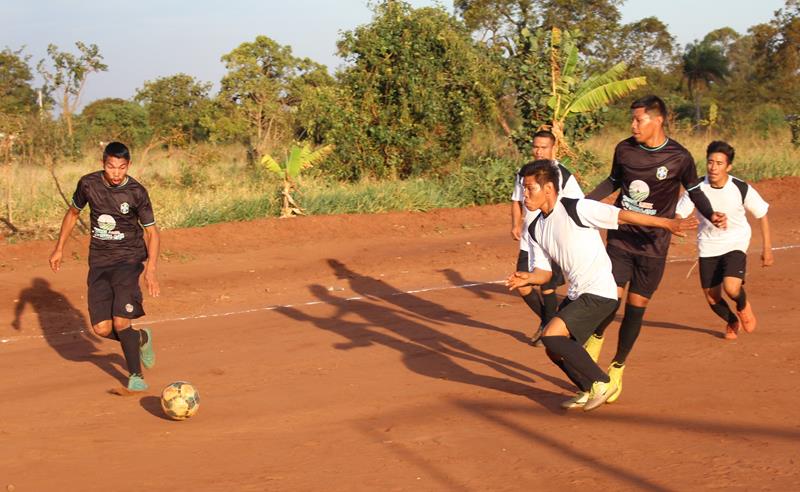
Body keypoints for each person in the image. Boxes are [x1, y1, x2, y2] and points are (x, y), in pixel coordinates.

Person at [506, 160, 696, 411]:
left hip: (600, 291)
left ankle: (602, 382)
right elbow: (543, 273)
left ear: (549, 189)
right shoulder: (536, 228)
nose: (524, 194)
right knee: (553, 349)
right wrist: (528, 278)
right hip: (578, 293)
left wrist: (667, 223)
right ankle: (586, 388)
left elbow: (623, 215)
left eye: (530, 188)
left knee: (552, 335)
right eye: (523, 188)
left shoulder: (576, 208)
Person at [583, 95, 726, 404]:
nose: (633, 125)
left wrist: (711, 213)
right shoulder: (624, 149)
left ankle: (617, 368)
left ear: (657, 120)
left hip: (654, 246)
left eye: (639, 120)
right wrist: (587, 201)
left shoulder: (680, 157)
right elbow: (613, 181)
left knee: (635, 309)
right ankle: (596, 336)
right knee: (609, 298)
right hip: (621, 238)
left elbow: (694, 191)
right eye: (633, 120)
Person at [49, 141, 160, 392]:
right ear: (103, 164)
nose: (116, 173)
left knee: (121, 323)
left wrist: (150, 269)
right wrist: (59, 248)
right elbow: (73, 213)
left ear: (128, 166)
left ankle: (135, 376)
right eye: (111, 167)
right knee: (101, 329)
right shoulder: (88, 184)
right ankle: (140, 338)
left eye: (121, 168)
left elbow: (152, 233)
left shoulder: (136, 192)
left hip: (129, 261)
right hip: (99, 262)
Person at [675, 141, 772, 339]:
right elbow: (678, 214)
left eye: (719, 163)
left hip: (735, 242)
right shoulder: (696, 188)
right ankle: (731, 320)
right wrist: (677, 227)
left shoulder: (740, 187)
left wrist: (767, 248)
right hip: (708, 245)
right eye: (710, 162)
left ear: (728, 167)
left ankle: (743, 306)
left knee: (731, 287)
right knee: (712, 298)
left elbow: (762, 214)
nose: (713, 167)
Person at [510, 130, 584, 346]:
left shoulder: (562, 175)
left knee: (548, 285)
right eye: (536, 146)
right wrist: (516, 223)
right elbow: (516, 200)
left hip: (552, 237)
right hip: (529, 239)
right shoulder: (525, 173)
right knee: (522, 284)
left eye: (544, 147)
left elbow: (577, 205)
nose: (539, 151)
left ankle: (549, 328)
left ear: (553, 148)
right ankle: (549, 321)